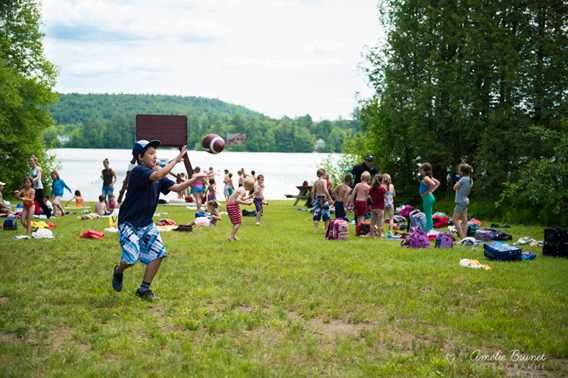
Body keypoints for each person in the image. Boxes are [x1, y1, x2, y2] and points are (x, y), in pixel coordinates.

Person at [111, 140, 208, 300]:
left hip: (147, 224)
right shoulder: (138, 171)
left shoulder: (158, 173)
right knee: (131, 257)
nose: (154, 156)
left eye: (155, 153)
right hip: (129, 223)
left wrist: (194, 179)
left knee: (159, 253)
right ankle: (118, 271)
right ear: (140, 157)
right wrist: (176, 160)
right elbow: (157, 175)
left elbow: (176, 188)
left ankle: (144, 290)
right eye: (150, 153)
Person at [226, 175, 254, 241]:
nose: (252, 188)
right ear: (249, 186)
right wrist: (247, 203)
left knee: (236, 222)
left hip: (231, 205)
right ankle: (231, 237)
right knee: (238, 223)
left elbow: (240, 198)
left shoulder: (241, 188)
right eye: (252, 186)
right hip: (232, 206)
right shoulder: (243, 191)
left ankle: (233, 236)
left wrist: (248, 198)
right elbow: (237, 200)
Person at [452, 163, 473, 239]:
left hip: (460, 202)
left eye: (459, 170)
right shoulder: (470, 180)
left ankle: (462, 237)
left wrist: (457, 182)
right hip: (465, 200)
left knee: (454, 220)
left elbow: (455, 188)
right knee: (464, 220)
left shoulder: (463, 179)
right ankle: (464, 237)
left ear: (463, 172)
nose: (458, 172)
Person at [419, 162, 440, 232]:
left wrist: (428, 191)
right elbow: (438, 183)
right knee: (428, 215)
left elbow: (433, 184)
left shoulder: (426, 177)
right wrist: (431, 191)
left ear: (424, 170)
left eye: (421, 170)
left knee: (428, 216)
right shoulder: (429, 177)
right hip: (429, 197)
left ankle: (428, 231)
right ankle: (429, 230)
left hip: (427, 198)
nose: (420, 171)